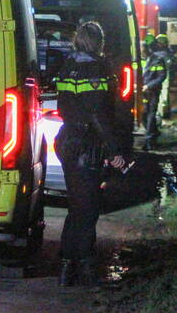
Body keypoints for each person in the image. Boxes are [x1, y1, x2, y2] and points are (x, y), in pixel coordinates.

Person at [54, 21, 133, 287]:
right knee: (87, 211)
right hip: (88, 146)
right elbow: (99, 115)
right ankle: (85, 269)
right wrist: (114, 150)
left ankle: (67, 268)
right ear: (98, 41)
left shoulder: (67, 66)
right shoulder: (98, 68)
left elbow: (66, 106)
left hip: (67, 141)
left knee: (76, 207)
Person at [141, 35, 168, 150]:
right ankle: (154, 132)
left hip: (153, 92)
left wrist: (148, 86)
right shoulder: (140, 60)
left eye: (142, 51)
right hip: (142, 92)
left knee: (151, 115)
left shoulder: (158, 60)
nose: (141, 53)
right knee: (144, 115)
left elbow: (162, 76)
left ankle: (149, 142)